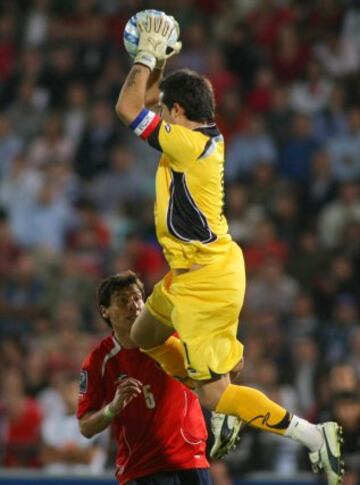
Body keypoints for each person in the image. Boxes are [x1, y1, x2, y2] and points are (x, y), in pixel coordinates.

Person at [115, 12, 344, 484]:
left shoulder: (185, 145)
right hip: (191, 272)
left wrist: (144, 54)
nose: (160, 113)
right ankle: (214, 397)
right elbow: (152, 96)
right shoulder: (196, 134)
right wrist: (160, 59)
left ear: (177, 113)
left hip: (208, 282)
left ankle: (313, 435)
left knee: (216, 394)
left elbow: (128, 107)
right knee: (143, 335)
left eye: (166, 109)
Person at [77, 271, 212, 484]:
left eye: (137, 298)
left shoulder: (174, 338)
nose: (134, 305)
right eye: (122, 301)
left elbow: (212, 373)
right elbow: (85, 427)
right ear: (105, 311)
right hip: (141, 470)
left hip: (191, 463)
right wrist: (113, 407)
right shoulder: (99, 361)